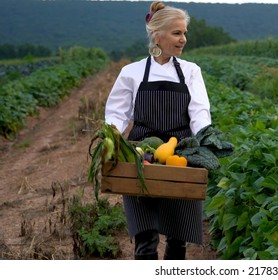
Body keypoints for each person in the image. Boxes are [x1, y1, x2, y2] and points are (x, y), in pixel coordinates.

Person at [104, 1, 212, 260]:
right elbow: (118, 113)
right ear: (157, 35)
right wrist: (112, 136)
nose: (183, 39)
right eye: (177, 33)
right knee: (145, 239)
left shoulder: (190, 71)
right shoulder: (132, 72)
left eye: (184, 33)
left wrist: (206, 137)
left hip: (181, 156)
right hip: (140, 157)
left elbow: (199, 112)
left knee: (177, 240)